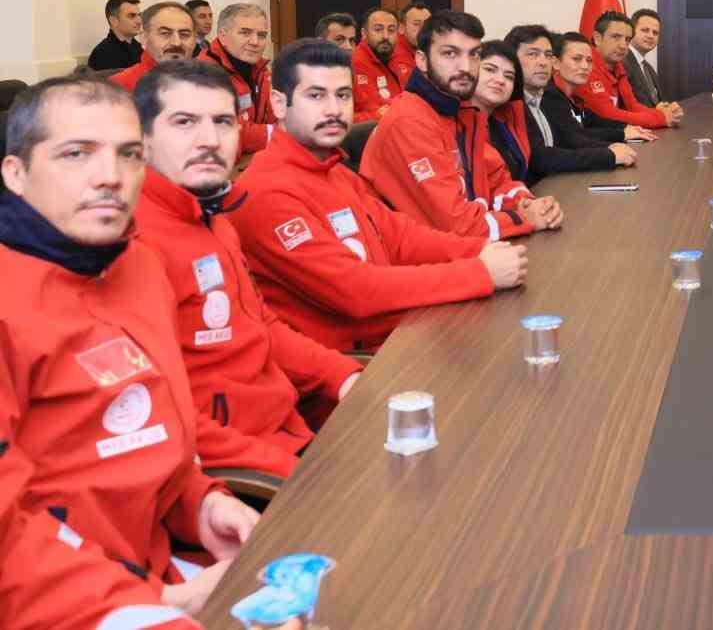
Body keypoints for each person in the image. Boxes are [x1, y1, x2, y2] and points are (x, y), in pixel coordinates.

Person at [0, 77, 259, 626]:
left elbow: (152, 431)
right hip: (59, 603)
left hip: (153, 568)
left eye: (129, 154)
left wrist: (202, 502)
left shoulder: (137, 263)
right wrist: (153, 606)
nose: (110, 176)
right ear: (15, 174)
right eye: (77, 154)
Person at [132, 59, 361, 478]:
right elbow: (161, 415)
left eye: (223, 122)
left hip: (287, 432)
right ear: (142, 140)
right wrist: (296, 474)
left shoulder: (213, 217)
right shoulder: (135, 245)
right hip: (241, 473)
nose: (209, 140)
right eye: (184, 122)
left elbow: (261, 326)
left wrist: (344, 375)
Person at [231, 39, 528, 352]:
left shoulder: (336, 172)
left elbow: (402, 238)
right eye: (316, 95)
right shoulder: (266, 191)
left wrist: (482, 249)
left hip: (396, 336)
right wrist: (479, 271)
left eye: (343, 95)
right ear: (279, 104)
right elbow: (356, 291)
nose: (334, 109)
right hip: (351, 364)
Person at [361, 11, 560, 240]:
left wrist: (525, 203)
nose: (465, 66)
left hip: (464, 246)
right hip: (413, 255)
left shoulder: (462, 110)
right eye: (450, 53)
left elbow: (496, 181)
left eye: (474, 55)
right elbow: (455, 225)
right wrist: (525, 218)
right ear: (422, 60)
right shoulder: (409, 121)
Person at [478, 37, 635, 184]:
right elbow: (540, 157)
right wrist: (610, 150)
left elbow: (573, 135)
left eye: (508, 76)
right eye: (490, 70)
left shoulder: (531, 102)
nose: (543, 63)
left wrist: (616, 140)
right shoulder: (537, 100)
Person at [579, 11, 683, 130]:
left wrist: (663, 114)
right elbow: (608, 115)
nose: (623, 45)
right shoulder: (585, 67)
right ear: (597, 38)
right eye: (616, 37)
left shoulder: (618, 66)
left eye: (627, 39)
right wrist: (661, 118)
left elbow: (632, 106)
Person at [547, 30, 656, 142]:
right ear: (556, 63)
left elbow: (595, 121)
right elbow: (575, 136)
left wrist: (627, 128)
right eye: (577, 59)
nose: (585, 66)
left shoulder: (575, 99)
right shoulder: (549, 97)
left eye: (589, 60)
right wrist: (621, 134)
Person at [199, 2, 276, 154]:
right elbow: (224, 131)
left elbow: (279, 115)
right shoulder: (201, 74)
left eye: (261, 35)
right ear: (223, 36)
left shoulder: (261, 70)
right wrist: (277, 134)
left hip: (257, 159)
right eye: (245, 33)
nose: (255, 42)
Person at [111, 1, 198, 91]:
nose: (176, 42)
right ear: (144, 38)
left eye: (185, 34)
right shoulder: (119, 86)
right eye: (165, 33)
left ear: (195, 39)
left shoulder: (205, 81)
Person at [351, 7, 410, 122]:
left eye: (391, 30)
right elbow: (374, 110)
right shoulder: (356, 63)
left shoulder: (398, 58)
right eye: (378, 30)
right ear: (364, 33)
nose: (385, 36)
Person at [88, 0, 143, 70]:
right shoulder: (103, 53)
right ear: (113, 21)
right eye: (131, 16)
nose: (139, 21)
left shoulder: (139, 48)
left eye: (139, 15)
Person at [625, 8, 665, 107]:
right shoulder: (622, 62)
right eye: (645, 30)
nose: (651, 36)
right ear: (631, 32)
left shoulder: (648, 68)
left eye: (655, 33)